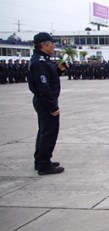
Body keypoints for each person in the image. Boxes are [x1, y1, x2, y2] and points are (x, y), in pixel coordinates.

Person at [27, 32, 66, 175]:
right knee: (49, 133)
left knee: (44, 132)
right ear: (43, 45)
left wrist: (58, 70)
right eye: (52, 43)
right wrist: (52, 106)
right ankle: (44, 165)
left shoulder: (43, 60)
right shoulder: (39, 62)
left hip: (44, 100)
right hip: (45, 101)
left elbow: (49, 78)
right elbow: (43, 87)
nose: (54, 45)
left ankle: (41, 160)